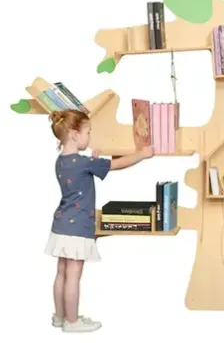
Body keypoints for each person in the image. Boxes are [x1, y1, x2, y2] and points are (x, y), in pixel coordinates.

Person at [44, 109, 153, 332]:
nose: (89, 137)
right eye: (88, 132)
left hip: (61, 224)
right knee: (74, 276)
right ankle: (72, 322)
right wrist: (142, 154)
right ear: (75, 134)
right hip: (78, 227)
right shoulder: (83, 163)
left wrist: (93, 160)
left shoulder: (61, 161)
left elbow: (80, 176)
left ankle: (60, 316)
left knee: (62, 273)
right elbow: (116, 165)